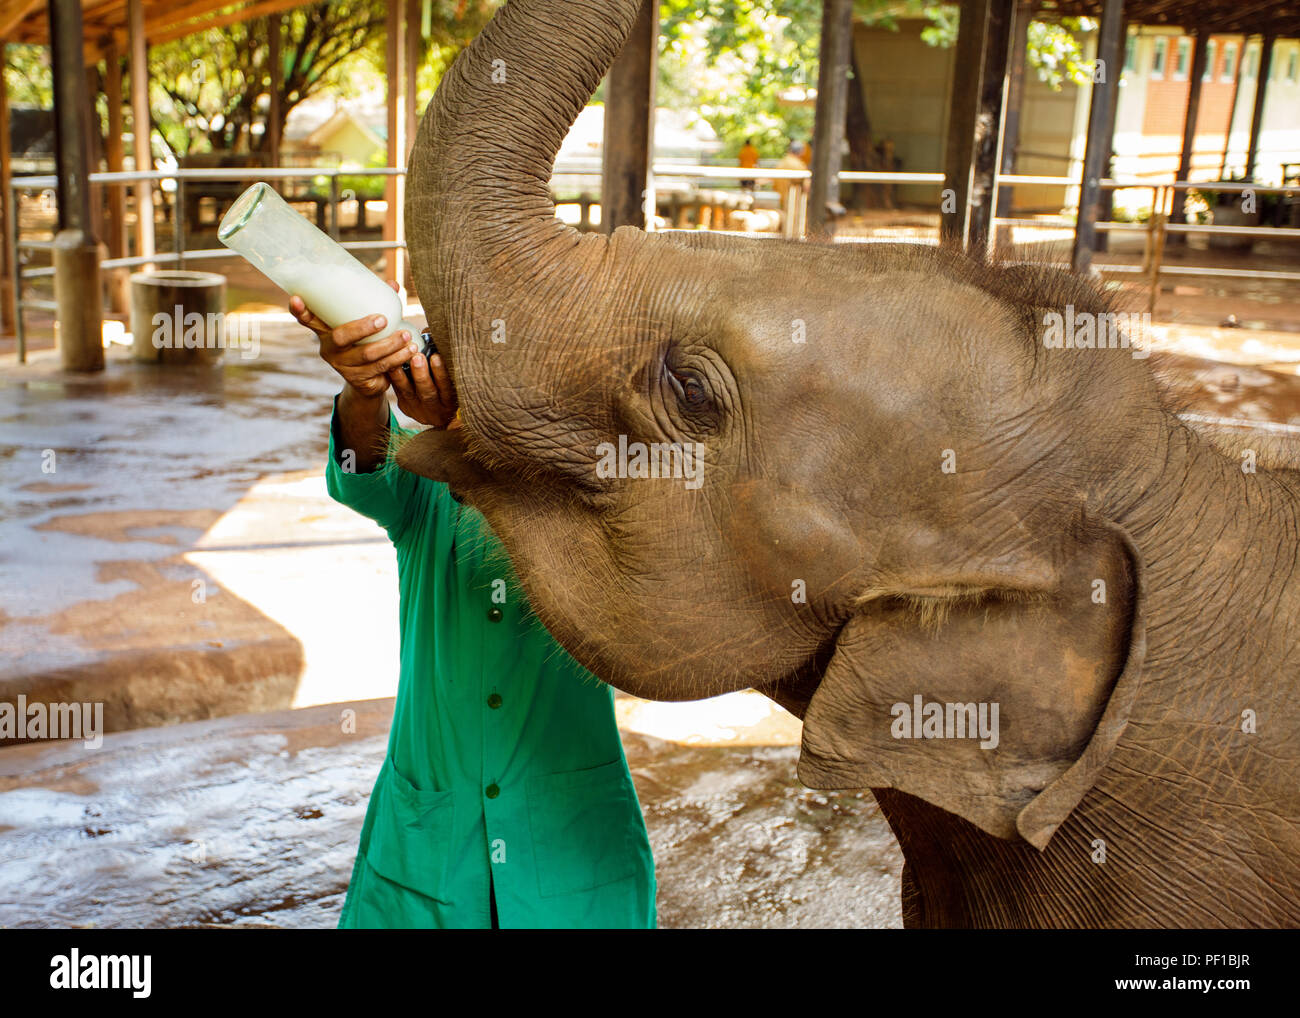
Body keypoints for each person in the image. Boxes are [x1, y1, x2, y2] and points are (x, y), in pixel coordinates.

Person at [292, 285, 656, 929]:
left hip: (573, 850)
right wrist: (364, 392)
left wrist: (472, 433)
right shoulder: (422, 484)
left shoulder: (596, 484)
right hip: (428, 858)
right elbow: (359, 465)